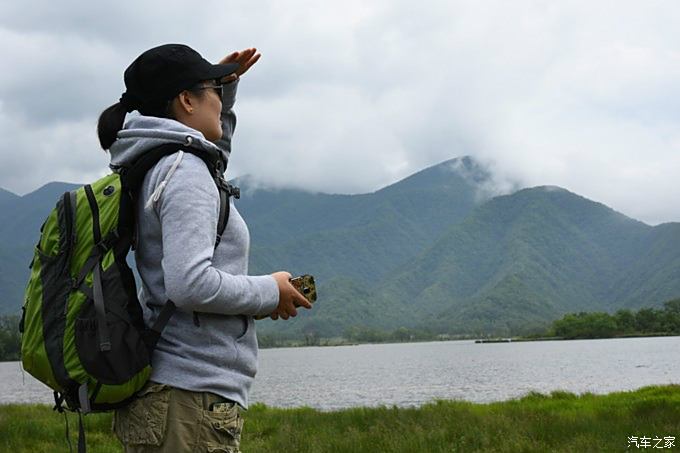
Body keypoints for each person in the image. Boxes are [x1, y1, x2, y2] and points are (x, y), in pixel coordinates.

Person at [98, 43, 312, 452]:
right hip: (187, 400)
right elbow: (190, 284)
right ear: (186, 101)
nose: (219, 99)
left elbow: (212, 161)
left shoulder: (163, 162)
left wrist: (224, 91)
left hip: (173, 395)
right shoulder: (184, 171)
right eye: (211, 89)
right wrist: (271, 291)